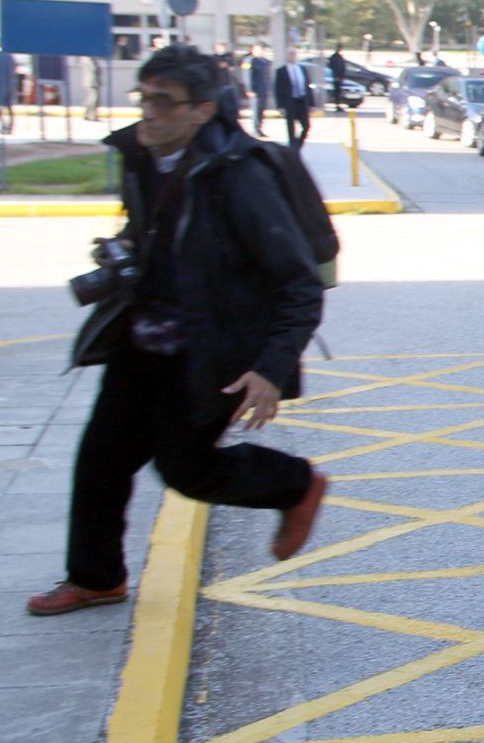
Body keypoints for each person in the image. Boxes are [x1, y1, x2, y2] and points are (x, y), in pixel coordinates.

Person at [26, 44, 328, 619]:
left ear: (202, 110)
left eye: (165, 102)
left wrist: (269, 368)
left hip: (210, 352)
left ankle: (295, 484)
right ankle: (95, 577)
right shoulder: (144, 158)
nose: (150, 112)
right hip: (144, 340)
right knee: (100, 460)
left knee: (186, 469)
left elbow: (299, 283)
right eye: (144, 98)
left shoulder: (239, 179)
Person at [273, 52, 316, 145]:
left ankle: (298, 144)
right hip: (290, 102)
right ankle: (292, 146)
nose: (292, 56)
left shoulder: (302, 69)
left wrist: (312, 104)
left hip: (302, 101)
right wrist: (280, 106)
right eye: (290, 54)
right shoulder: (281, 71)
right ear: (286, 56)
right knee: (291, 127)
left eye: (293, 54)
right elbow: (278, 89)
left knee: (306, 126)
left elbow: (308, 87)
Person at [0, 46, 19, 135]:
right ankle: (10, 127)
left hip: (2, 84)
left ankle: (4, 125)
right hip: (11, 84)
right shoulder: (11, 56)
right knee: (9, 106)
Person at [246, 46, 272, 136]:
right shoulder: (250, 60)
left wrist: (269, 88)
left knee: (261, 110)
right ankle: (255, 129)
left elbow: (267, 76)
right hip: (256, 90)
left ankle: (260, 128)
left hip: (263, 89)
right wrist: (249, 89)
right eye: (260, 50)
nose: (262, 51)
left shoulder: (264, 61)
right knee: (256, 110)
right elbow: (247, 76)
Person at [326, 46, 350, 119]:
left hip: (339, 77)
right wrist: (336, 75)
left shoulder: (339, 57)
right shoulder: (334, 57)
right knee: (337, 92)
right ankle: (337, 105)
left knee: (339, 92)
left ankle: (338, 104)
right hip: (336, 77)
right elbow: (333, 66)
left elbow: (342, 66)